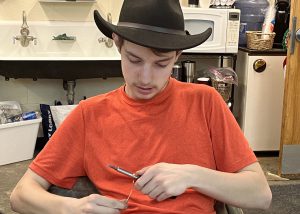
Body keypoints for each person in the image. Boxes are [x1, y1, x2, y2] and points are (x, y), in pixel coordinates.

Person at [10, 0, 272, 213]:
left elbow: (260, 195)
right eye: (134, 60)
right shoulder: (90, 115)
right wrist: (72, 207)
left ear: (177, 57)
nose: (145, 78)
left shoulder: (206, 102)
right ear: (117, 44)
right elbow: (22, 195)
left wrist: (191, 175)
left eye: (161, 64)